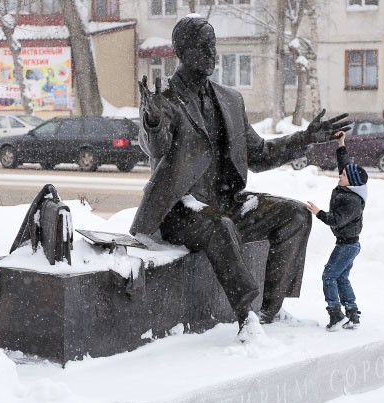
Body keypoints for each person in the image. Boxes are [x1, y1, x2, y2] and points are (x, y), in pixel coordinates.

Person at [130, 14, 351, 342]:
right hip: (179, 211)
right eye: (204, 47)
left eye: (214, 46)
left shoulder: (230, 100)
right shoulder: (166, 101)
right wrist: (151, 121)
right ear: (182, 52)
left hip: (226, 203)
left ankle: (269, 310)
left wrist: (306, 138)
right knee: (220, 225)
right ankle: (247, 317)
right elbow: (156, 147)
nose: (212, 54)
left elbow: (259, 155)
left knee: (295, 215)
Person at [306, 131, 368, 331]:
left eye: (343, 175)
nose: (340, 175)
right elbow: (345, 164)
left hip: (347, 245)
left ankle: (336, 315)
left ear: (350, 181)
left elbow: (336, 220)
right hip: (348, 243)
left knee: (329, 276)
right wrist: (341, 143)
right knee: (341, 277)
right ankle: (352, 314)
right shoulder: (351, 186)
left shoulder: (352, 201)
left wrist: (318, 213)